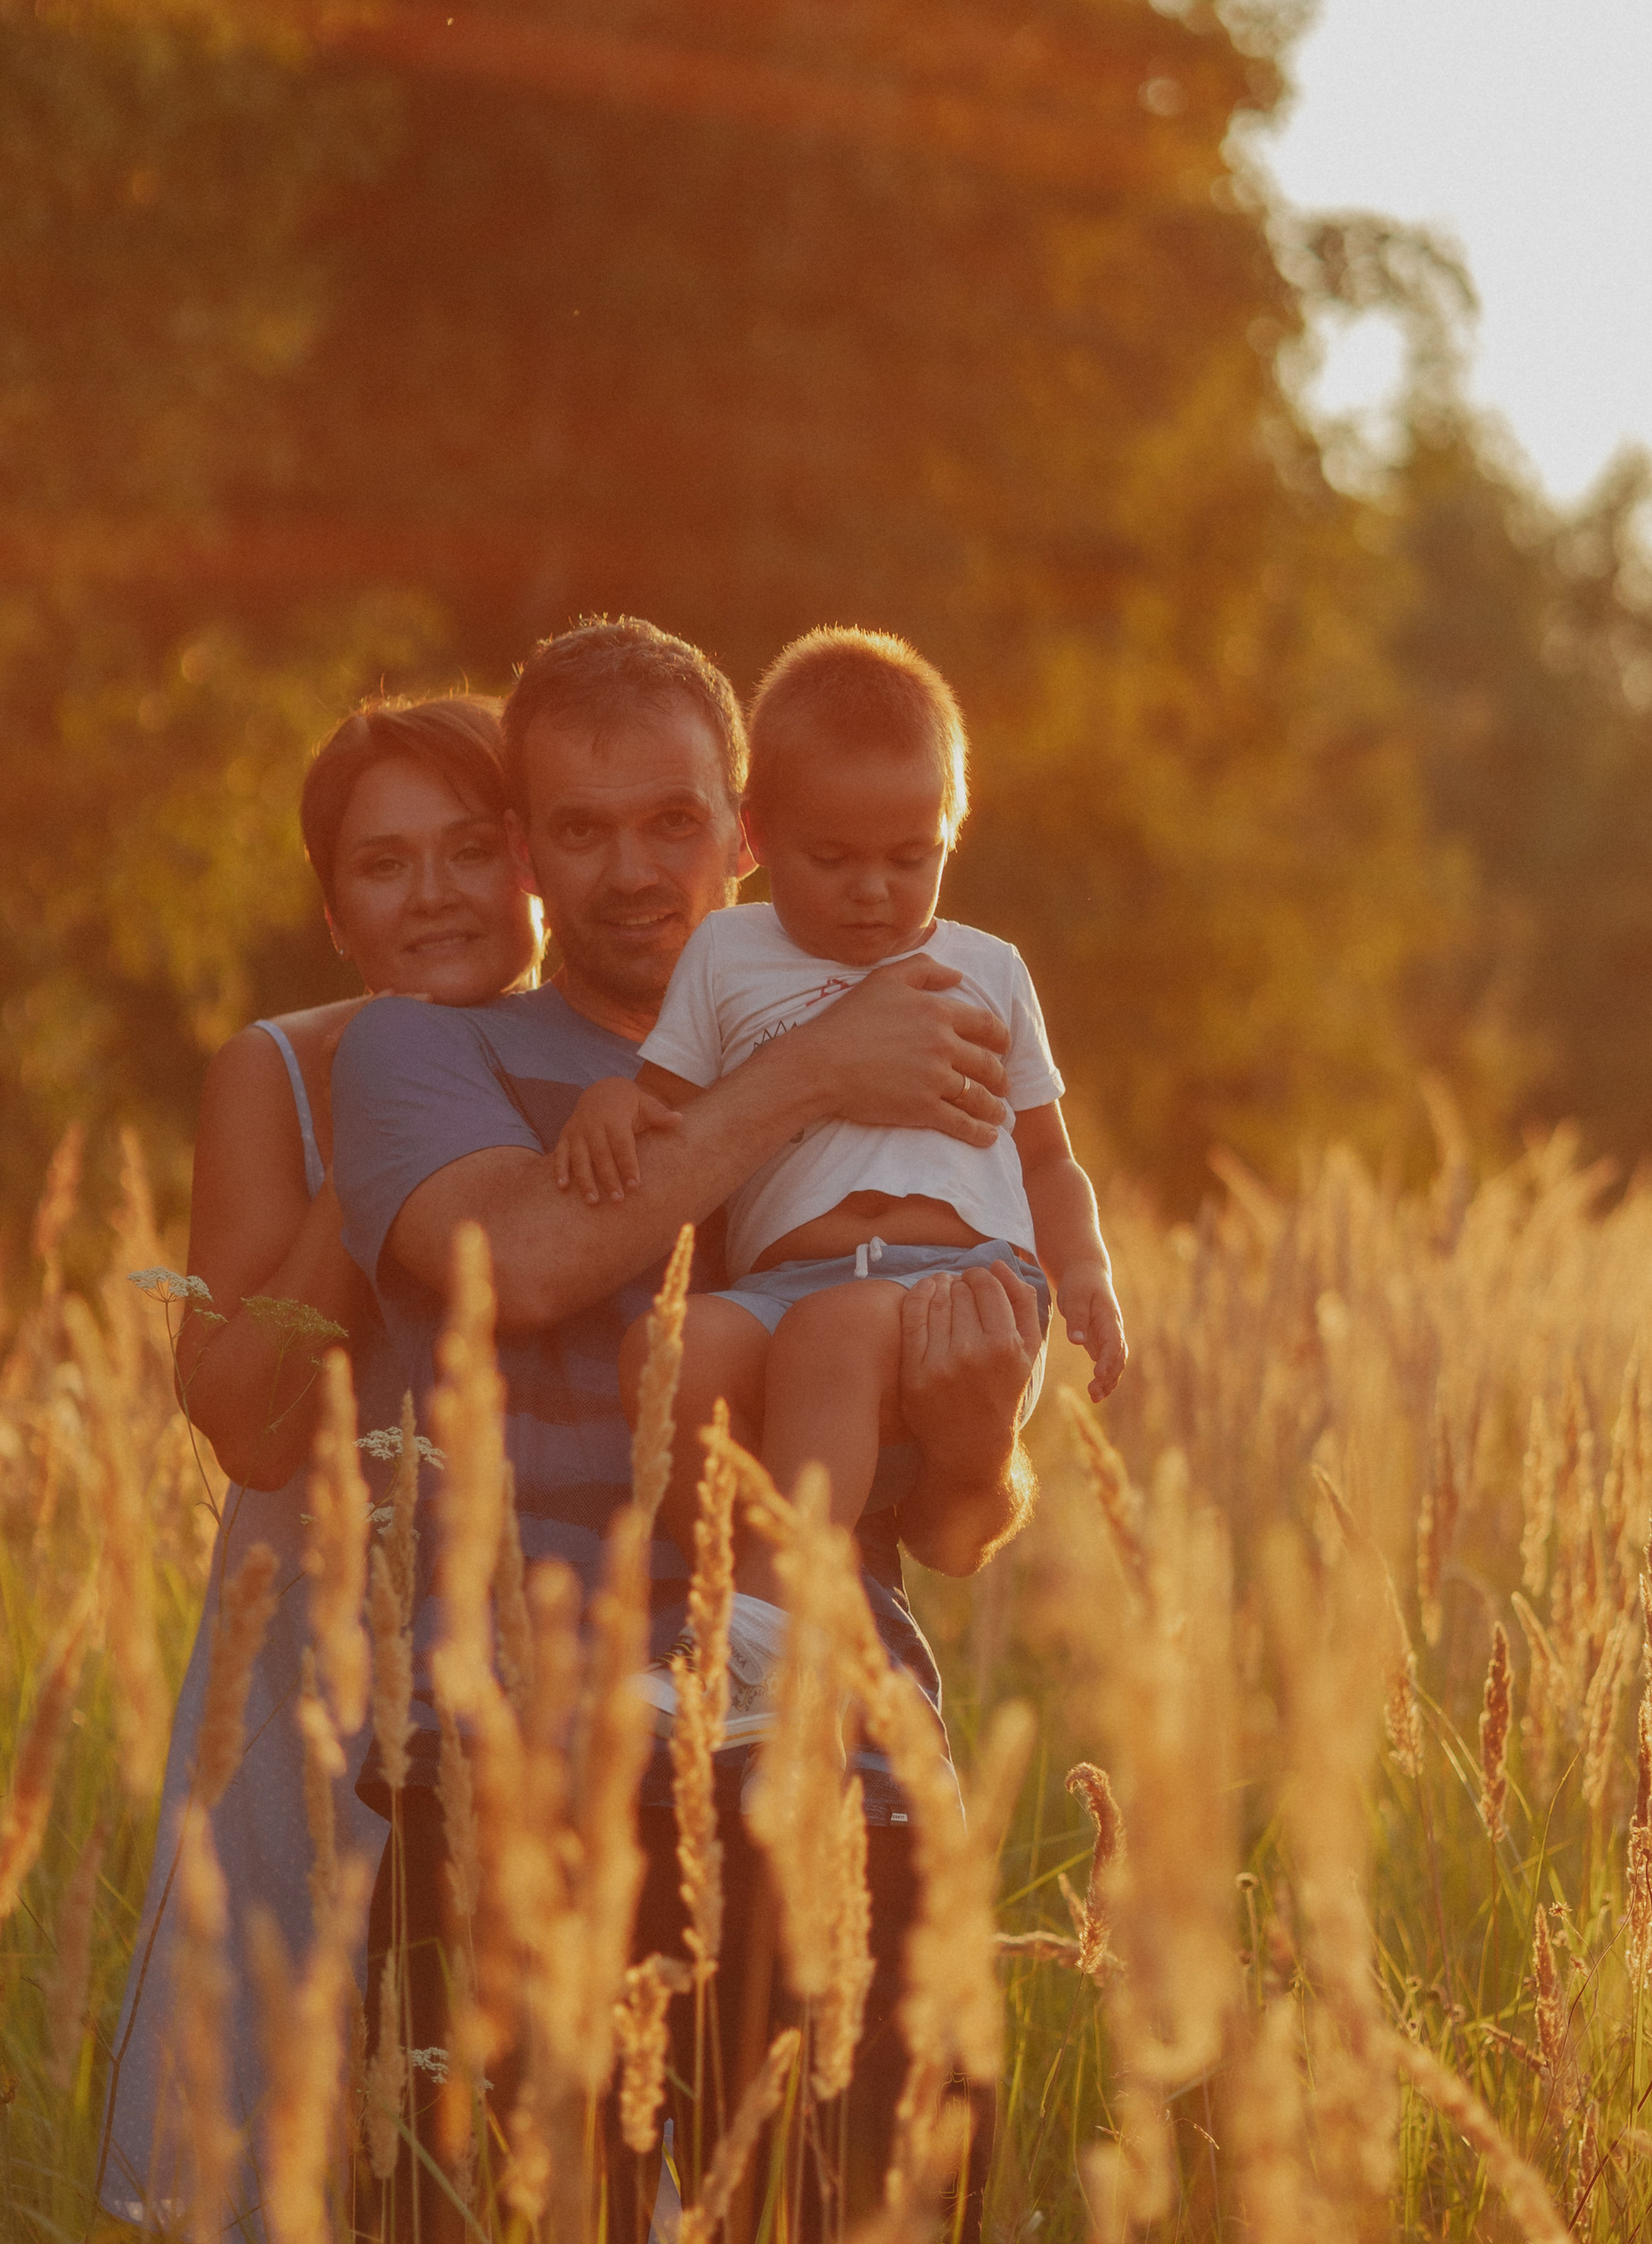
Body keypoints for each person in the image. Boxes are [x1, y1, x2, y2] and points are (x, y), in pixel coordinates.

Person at [329, 616, 1046, 2238]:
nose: (632, 870)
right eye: (579, 830)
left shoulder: (909, 1037)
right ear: (524, 852)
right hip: (511, 1774)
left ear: (743, 831)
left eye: (671, 822)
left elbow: (947, 1529)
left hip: (831, 1772)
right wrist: (801, 1077)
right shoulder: (422, 1053)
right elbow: (522, 1259)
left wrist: (990, 1429)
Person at [97, 695, 543, 2228]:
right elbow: (243, 1414)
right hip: (316, 1674)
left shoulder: (620, 1046)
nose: (432, 896)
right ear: (335, 908)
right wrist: (376, 1154)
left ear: (531, 861)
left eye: (471, 850)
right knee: (318, 2139)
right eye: (384, 864)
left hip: (549, 1659)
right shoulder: (276, 1074)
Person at [552, 626, 1124, 1729]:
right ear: (758, 836)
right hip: (783, 1290)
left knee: (837, 1334)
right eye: (833, 859)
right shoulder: (726, 955)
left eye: (910, 858)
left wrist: (1086, 1265)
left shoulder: (988, 968)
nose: (872, 891)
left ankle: (764, 1646)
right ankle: (746, 1609)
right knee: (671, 1349)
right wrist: (609, 1100)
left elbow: (1048, 1157)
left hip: (958, 1279)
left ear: (954, 829)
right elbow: (670, 1102)